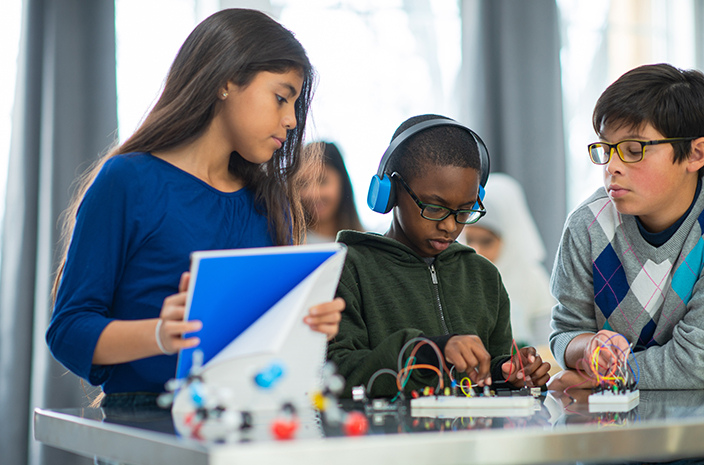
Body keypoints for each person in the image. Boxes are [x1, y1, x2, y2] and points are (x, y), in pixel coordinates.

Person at [45, 8, 344, 406]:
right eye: (280, 98)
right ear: (226, 81)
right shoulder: (128, 181)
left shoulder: (270, 202)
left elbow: (267, 353)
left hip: (249, 423)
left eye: (294, 106)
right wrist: (159, 334)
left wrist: (306, 327)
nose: (291, 120)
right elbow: (68, 331)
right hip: (145, 429)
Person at [328, 114, 551, 398]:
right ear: (390, 191)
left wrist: (508, 372)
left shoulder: (483, 276)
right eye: (434, 207)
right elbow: (337, 374)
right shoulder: (350, 269)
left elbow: (486, 373)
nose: (449, 226)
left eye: (465, 210)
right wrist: (428, 352)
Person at [549, 63, 704, 390]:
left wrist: (605, 378)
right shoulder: (587, 225)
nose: (612, 167)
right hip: (617, 426)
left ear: (696, 153)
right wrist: (588, 350)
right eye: (606, 149)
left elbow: (696, 361)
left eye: (634, 150)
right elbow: (565, 332)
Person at [462, 173, 555, 348]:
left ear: (510, 239)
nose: (477, 251)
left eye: (486, 241)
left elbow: (548, 345)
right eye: (470, 240)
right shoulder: (458, 277)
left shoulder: (532, 280)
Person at [300, 141, 364, 243]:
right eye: (303, 183)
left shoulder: (367, 245)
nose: (313, 194)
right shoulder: (288, 245)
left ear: (342, 182)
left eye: (322, 181)